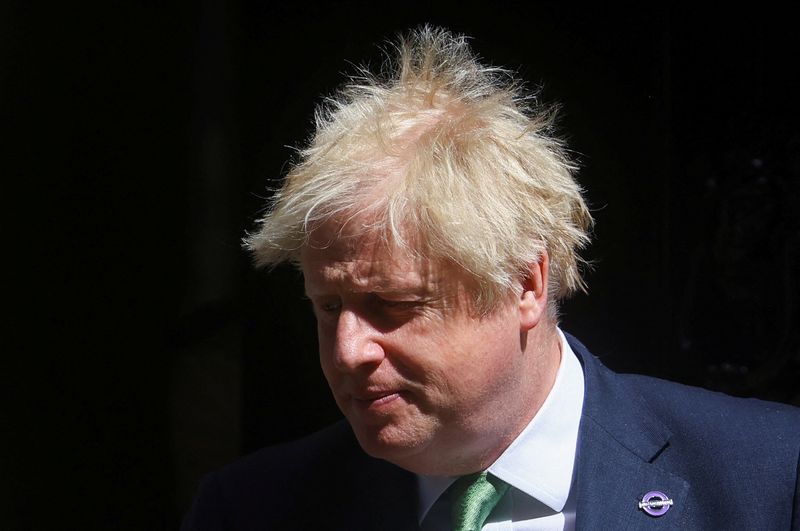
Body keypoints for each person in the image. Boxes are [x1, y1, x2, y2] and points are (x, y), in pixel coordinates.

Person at [182, 26, 800, 530]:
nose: (348, 351)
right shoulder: (250, 509)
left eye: (393, 304)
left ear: (525, 285)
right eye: (327, 306)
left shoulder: (768, 475)